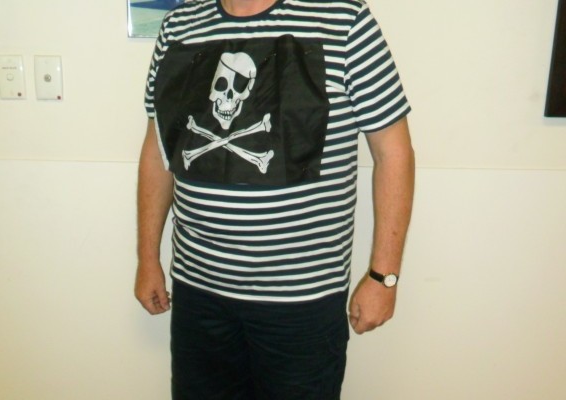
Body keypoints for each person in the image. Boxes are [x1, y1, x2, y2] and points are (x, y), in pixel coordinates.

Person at [135, 0, 415, 398]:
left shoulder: (344, 21)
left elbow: (394, 154)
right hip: (199, 293)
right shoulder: (179, 27)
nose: (228, 94)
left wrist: (383, 277)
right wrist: (148, 258)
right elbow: (158, 150)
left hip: (302, 301)